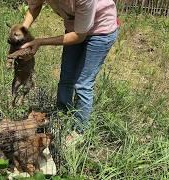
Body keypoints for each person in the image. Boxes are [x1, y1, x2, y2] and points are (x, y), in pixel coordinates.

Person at [21, 0, 118, 136]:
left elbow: (79, 36)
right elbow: (35, 6)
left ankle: (79, 132)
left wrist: (41, 42)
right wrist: (22, 31)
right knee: (66, 76)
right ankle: (62, 115)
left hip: (100, 31)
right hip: (75, 28)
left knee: (82, 84)